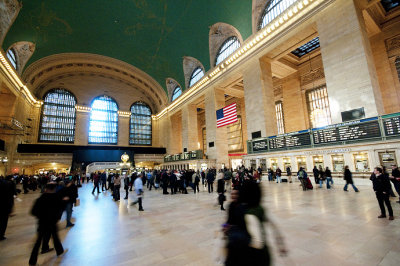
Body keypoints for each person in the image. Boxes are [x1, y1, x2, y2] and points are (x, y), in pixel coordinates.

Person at [238, 181, 287, 266]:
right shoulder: (260, 208)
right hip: (265, 253)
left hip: (256, 258)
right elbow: (274, 225)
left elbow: (257, 242)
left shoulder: (250, 213)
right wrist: (280, 243)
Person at [29, 183, 65, 265]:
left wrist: (41, 216)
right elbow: (61, 209)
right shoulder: (57, 198)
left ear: (46, 189)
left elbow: (33, 212)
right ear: (54, 189)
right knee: (55, 237)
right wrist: (56, 218)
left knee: (38, 242)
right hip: (52, 222)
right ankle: (59, 251)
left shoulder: (40, 199)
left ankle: (32, 261)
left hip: (42, 223)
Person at [0, 176, 15, 241]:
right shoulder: (7, 184)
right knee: (3, 222)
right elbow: (10, 197)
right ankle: (1, 235)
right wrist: (10, 208)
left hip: (4, 206)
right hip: (4, 206)